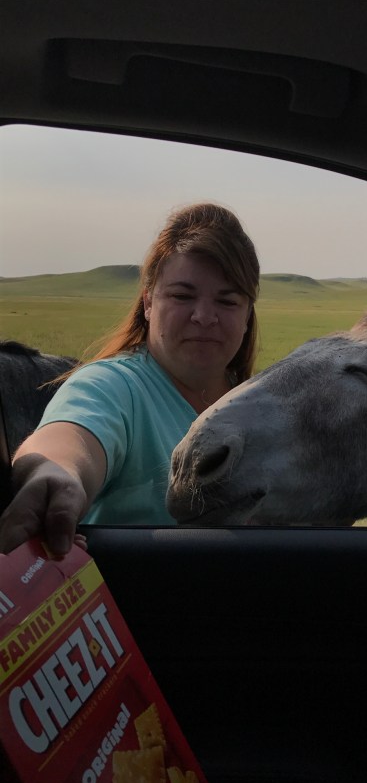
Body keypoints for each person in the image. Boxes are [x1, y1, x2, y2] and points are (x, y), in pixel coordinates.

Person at [0, 203, 260, 556]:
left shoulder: (257, 402)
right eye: (182, 296)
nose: (203, 316)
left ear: (247, 314)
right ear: (148, 303)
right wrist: (53, 473)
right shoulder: (114, 386)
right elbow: (70, 438)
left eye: (227, 301)